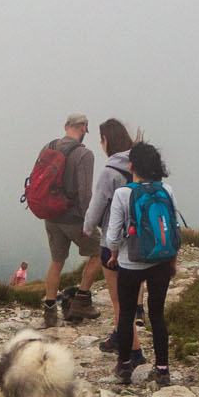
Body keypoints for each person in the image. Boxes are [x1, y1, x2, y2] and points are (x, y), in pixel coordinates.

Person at [104, 140, 178, 387]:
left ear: (131, 165)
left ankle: (124, 367)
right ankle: (163, 369)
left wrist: (114, 254)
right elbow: (173, 229)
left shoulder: (123, 194)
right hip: (161, 261)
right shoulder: (166, 190)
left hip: (131, 263)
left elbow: (113, 235)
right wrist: (172, 261)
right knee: (157, 315)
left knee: (126, 314)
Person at [82, 118, 138, 359]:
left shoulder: (110, 172)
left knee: (118, 302)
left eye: (101, 139)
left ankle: (132, 354)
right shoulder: (141, 165)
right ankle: (118, 334)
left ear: (107, 141)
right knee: (130, 298)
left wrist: (87, 228)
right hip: (140, 242)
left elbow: (97, 206)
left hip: (113, 242)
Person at [38, 114, 102, 327]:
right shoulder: (85, 155)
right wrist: (90, 221)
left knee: (57, 262)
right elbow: (85, 193)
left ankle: (49, 311)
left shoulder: (49, 146)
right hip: (74, 217)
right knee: (99, 252)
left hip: (51, 216)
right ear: (84, 128)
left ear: (66, 126)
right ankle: (81, 300)